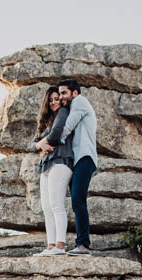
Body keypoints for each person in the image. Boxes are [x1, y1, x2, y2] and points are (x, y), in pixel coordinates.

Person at [37, 78, 97, 256]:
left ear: (74, 93)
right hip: (78, 158)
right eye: (59, 94)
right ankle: (76, 244)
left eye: (64, 93)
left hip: (84, 157)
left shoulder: (80, 102)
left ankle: (83, 245)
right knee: (75, 201)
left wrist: (43, 143)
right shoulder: (70, 107)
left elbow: (64, 129)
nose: (61, 97)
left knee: (78, 200)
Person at [30, 86, 74, 256]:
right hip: (46, 165)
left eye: (57, 98)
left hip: (61, 162)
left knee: (56, 205)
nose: (55, 102)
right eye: (51, 100)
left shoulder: (63, 113)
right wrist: (38, 145)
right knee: (47, 208)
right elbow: (30, 144)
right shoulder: (45, 121)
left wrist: (42, 143)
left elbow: (56, 135)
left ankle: (60, 245)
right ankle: (50, 246)